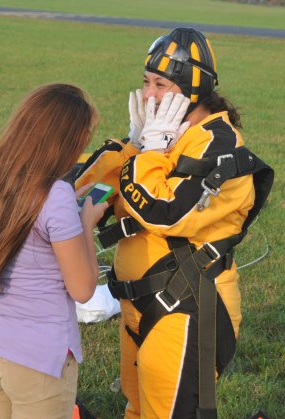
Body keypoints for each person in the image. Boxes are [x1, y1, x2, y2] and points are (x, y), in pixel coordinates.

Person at [74, 28, 273, 418]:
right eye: (146, 82)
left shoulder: (220, 148)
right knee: (137, 408)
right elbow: (88, 193)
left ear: (192, 90)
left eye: (161, 85)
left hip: (188, 306)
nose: (149, 95)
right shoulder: (162, 138)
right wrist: (133, 146)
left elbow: (163, 211)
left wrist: (147, 154)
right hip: (140, 301)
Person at [0, 83, 108, 419]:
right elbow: (82, 289)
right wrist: (85, 225)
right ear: (65, 140)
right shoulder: (56, 196)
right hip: (39, 361)